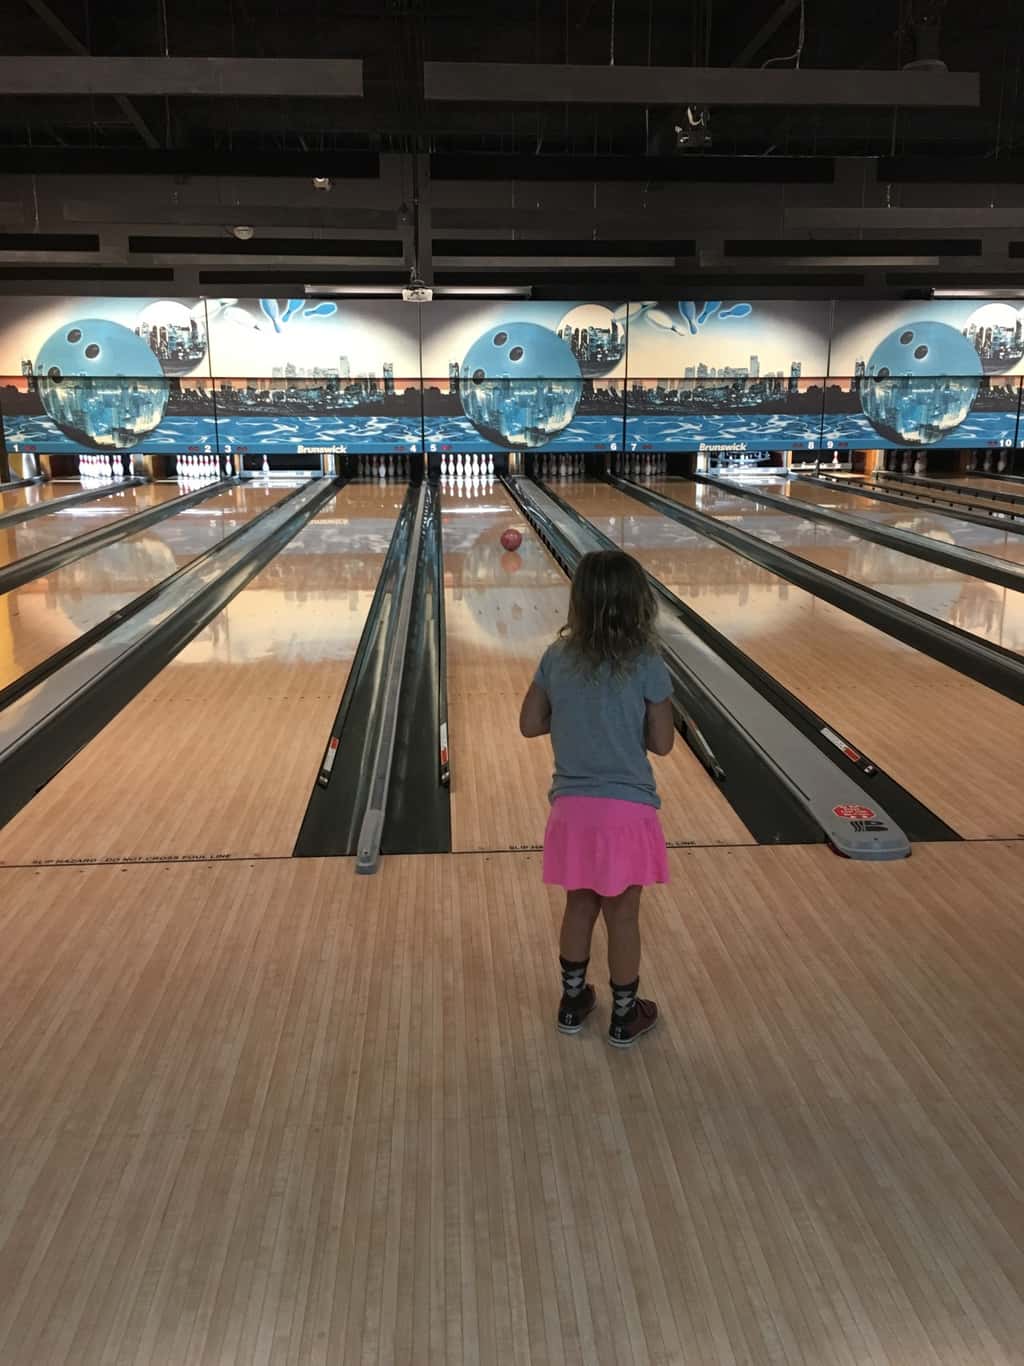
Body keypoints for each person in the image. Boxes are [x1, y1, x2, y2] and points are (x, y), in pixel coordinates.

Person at [519, 549, 674, 1048]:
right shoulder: (647, 662)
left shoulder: (556, 657)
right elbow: (663, 743)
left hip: (572, 811)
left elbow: (529, 724)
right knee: (623, 916)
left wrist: (570, 716)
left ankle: (571, 1004)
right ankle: (625, 1016)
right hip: (627, 811)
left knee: (578, 907)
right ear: (639, 604)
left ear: (578, 602)